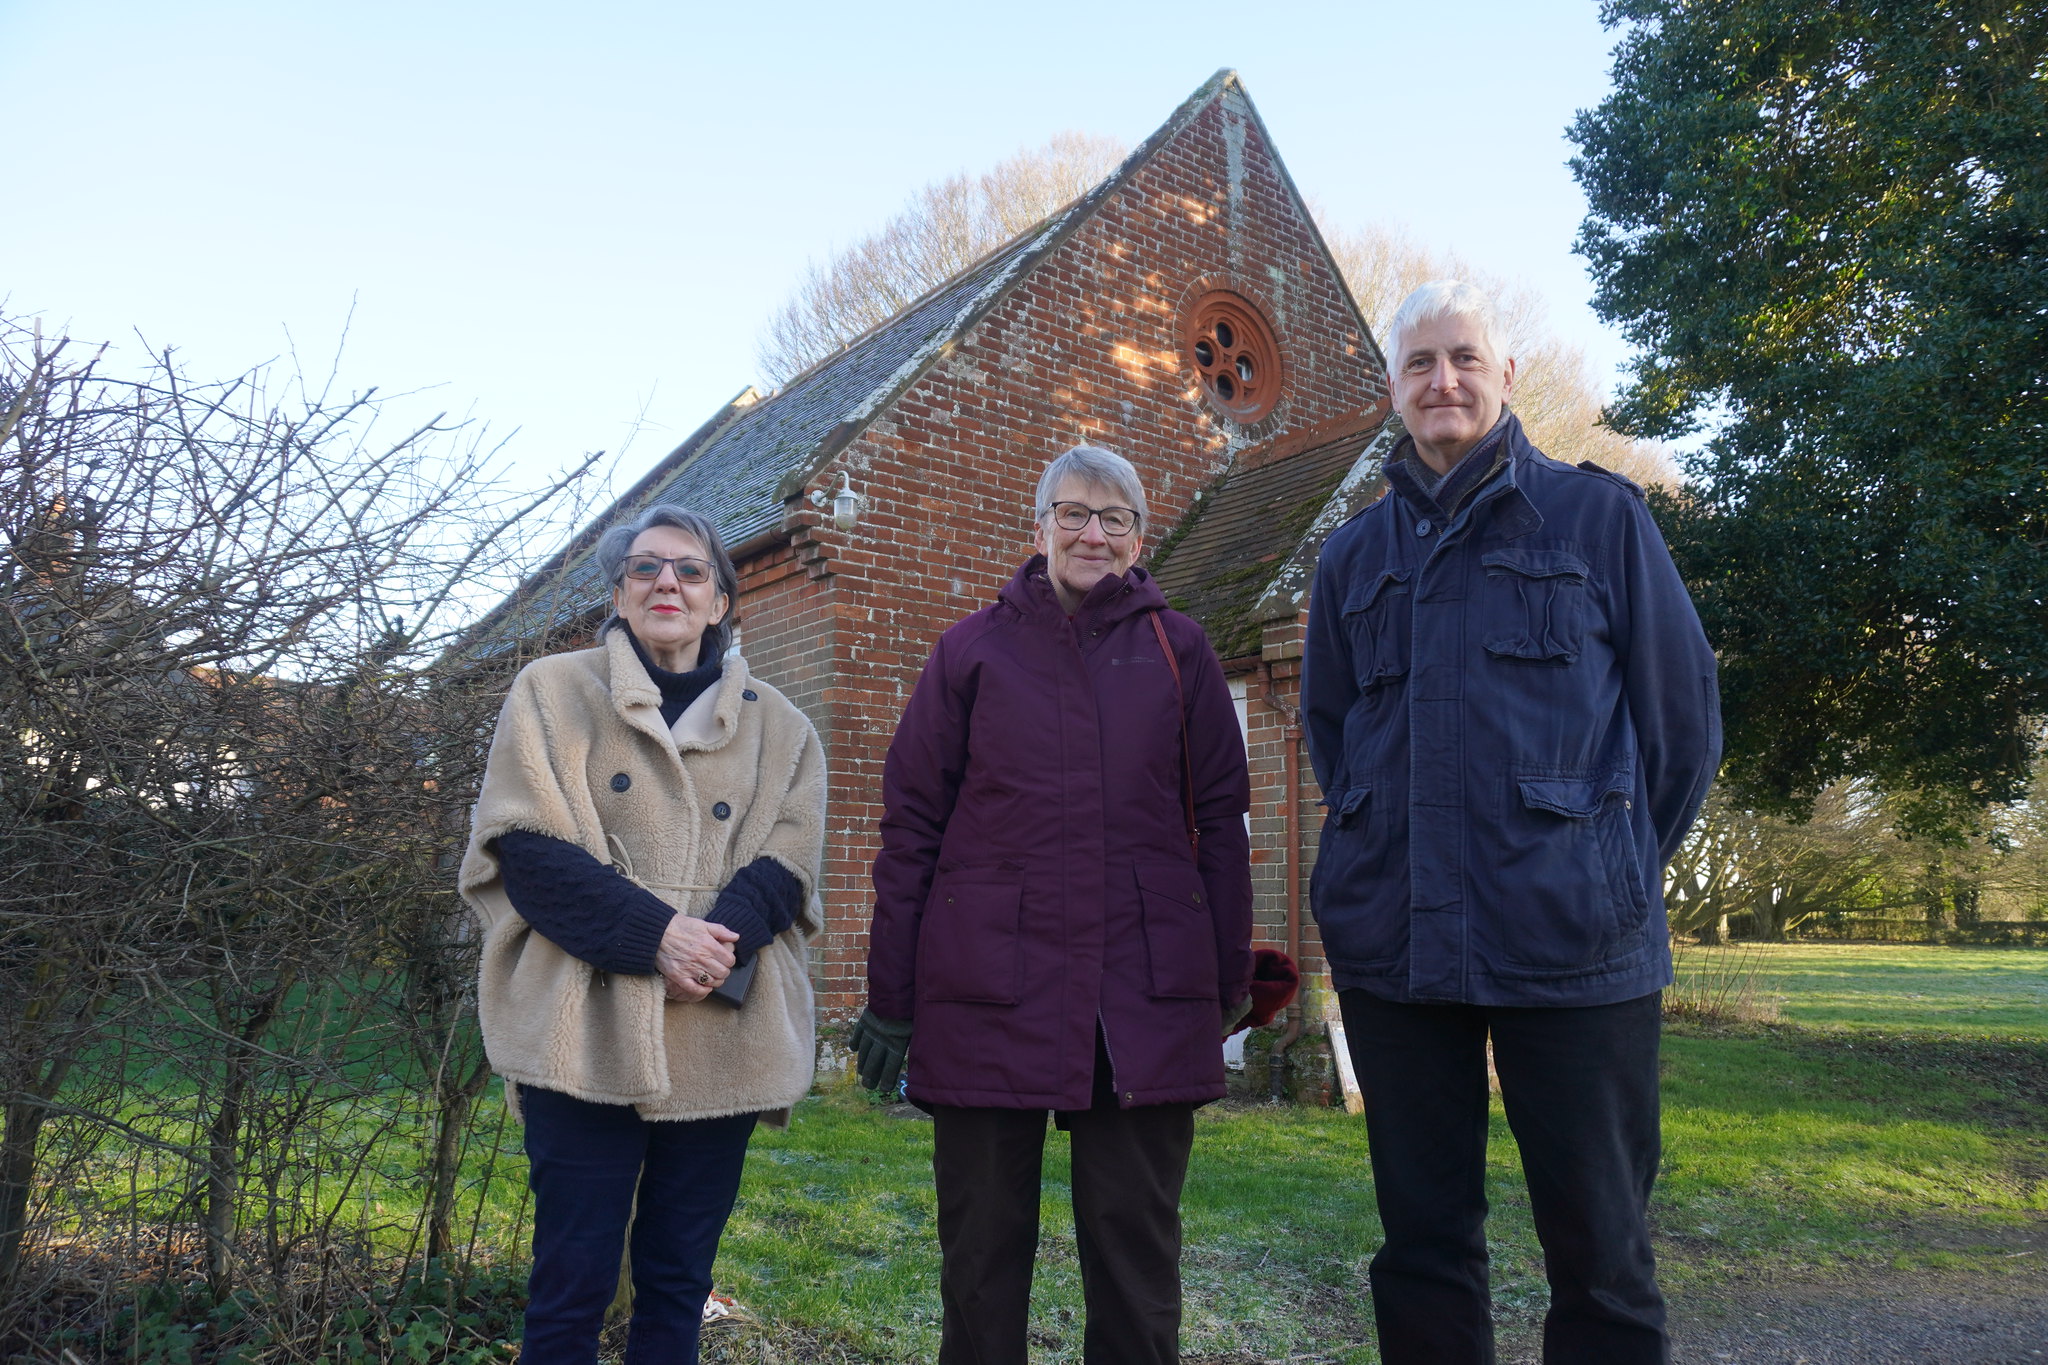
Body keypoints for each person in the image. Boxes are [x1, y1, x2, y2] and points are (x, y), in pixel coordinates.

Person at [1302, 280, 1720, 1364]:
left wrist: (1600, 865)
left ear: (1504, 374)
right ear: (1390, 389)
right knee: (1423, 1246)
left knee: (1601, 1252)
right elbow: (1332, 738)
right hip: (1397, 955)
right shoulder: (1349, 559)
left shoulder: (1598, 518)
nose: (1441, 380)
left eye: (1462, 359)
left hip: (1575, 952)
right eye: (1417, 364)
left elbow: (1678, 729)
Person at [854, 445, 1254, 1365]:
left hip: (1139, 994)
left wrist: (1225, 976)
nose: (1093, 533)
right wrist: (892, 993)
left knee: (1137, 1258)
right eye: (1074, 512)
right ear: (1037, 529)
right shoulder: (970, 650)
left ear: (1140, 539)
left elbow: (1222, 822)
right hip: (990, 986)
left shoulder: (1179, 649)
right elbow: (912, 824)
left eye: (1115, 518)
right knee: (983, 1264)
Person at [458, 504, 826, 1365]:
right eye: (647, 568)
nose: (669, 582)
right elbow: (527, 847)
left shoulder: (785, 727)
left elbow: (787, 862)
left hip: (720, 1033)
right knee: (570, 1281)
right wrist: (656, 935)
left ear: (721, 601)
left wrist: (708, 945)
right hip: (580, 1027)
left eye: (691, 571)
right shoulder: (551, 692)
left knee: (677, 1282)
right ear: (620, 594)